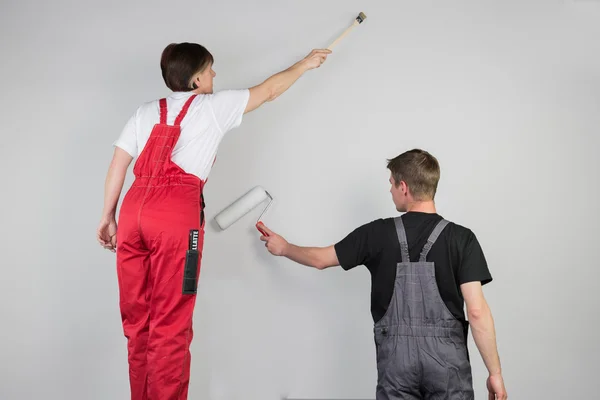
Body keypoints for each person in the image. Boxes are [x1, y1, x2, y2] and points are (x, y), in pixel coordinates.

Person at [96, 42, 331, 400]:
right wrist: (304, 64)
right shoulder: (214, 107)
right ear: (195, 80)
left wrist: (108, 216)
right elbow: (269, 91)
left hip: (132, 213)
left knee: (137, 324)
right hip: (174, 216)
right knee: (170, 325)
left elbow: (118, 164)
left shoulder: (144, 112)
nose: (215, 75)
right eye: (210, 70)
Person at [259, 149, 508, 400]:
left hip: (396, 365)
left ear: (404, 187)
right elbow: (476, 312)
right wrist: (494, 373)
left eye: (391, 183)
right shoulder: (462, 238)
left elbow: (321, 259)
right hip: (448, 364)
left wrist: (285, 248)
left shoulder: (377, 233)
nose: (390, 190)